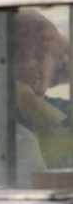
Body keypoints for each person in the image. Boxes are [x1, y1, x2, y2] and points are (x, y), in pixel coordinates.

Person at [12, 10, 71, 181]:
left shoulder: (66, 110)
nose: (29, 63)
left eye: (39, 56)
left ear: (55, 67)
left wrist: (33, 104)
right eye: (19, 55)